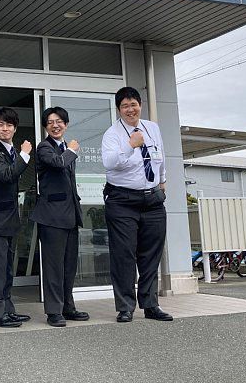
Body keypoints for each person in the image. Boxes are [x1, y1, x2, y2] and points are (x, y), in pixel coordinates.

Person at [101, 86, 173, 323]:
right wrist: (130, 145)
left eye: (133, 104)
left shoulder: (152, 128)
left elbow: (160, 157)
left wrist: (162, 181)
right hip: (122, 200)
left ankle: (151, 305)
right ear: (118, 109)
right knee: (124, 255)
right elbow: (109, 163)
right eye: (125, 106)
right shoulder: (112, 134)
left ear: (140, 105)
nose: (130, 110)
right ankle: (125, 307)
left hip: (153, 199)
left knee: (151, 254)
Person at [32, 107, 89, 327]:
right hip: (51, 217)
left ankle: (68, 307)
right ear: (45, 126)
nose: (55, 125)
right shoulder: (44, 147)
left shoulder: (65, 148)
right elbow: (58, 163)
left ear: (66, 124)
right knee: (53, 267)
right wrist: (72, 150)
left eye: (59, 121)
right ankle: (54, 311)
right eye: (50, 122)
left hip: (70, 215)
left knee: (68, 266)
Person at [0, 107, 33, 328]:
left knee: (7, 270)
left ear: (15, 128)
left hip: (9, 219)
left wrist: (20, 155)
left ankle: (8, 310)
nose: (5, 128)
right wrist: (25, 155)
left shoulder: (10, 151)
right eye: (1, 124)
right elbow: (7, 175)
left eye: (9, 125)